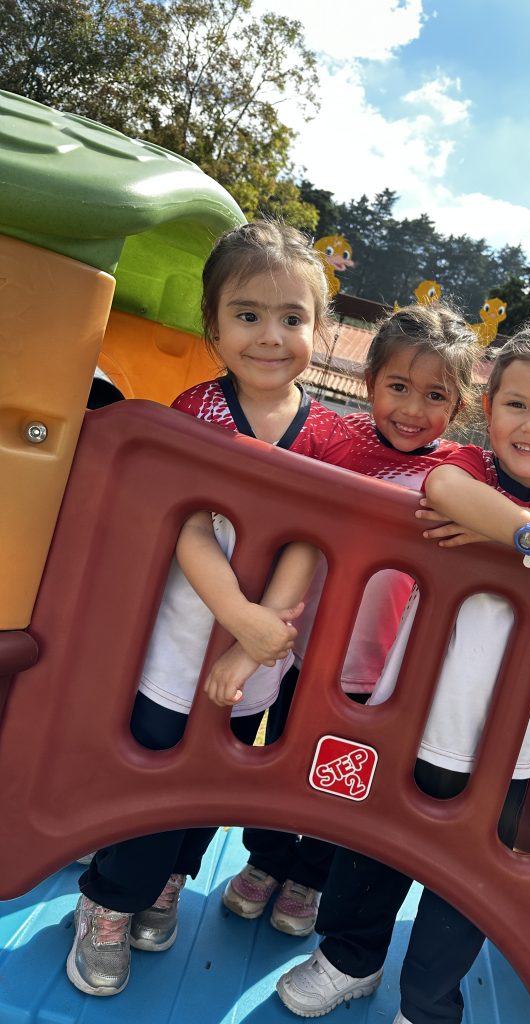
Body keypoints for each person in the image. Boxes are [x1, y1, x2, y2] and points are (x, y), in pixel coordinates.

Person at [275, 310, 530, 1024]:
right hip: (408, 707)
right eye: (515, 404)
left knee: (467, 877)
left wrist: (529, 536)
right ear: (488, 409)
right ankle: (350, 959)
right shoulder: (469, 467)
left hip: (507, 738)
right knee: (372, 842)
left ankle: (428, 1002)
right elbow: (446, 495)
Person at [66, 219, 355, 997]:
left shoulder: (325, 433)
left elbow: (311, 536)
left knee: (209, 777)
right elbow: (191, 524)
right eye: (248, 315)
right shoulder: (200, 410)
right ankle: (106, 903)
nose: (271, 336)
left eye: (292, 318)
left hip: (262, 644)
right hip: (181, 637)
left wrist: (257, 639)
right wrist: (235, 615)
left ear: (318, 330)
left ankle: (167, 879)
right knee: (155, 768)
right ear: (214, 327)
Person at [217, 303, 478, 938]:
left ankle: (310, 874)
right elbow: (271, 464)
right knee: (279, 753)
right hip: (303, 648)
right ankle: (266, 859)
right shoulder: (338, 438)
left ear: (460, 403)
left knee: (343, 776)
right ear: (370, 384)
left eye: (435, 395)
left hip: (378, 668)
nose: (413, 410)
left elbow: (500, 515)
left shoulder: (463, 470)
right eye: (398, 388)